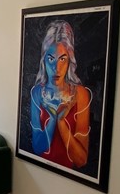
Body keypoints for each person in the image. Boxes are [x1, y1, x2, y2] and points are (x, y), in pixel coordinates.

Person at [30, 19, 91, 169]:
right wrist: (52, 120)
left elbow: (81, 160)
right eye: (51, 59)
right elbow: (37, 148)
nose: (56, 67)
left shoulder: (81, 94)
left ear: (70, 60)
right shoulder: (37, 93)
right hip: (40, 169)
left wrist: (61, 123)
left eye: (62, 59)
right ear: (43, 60)